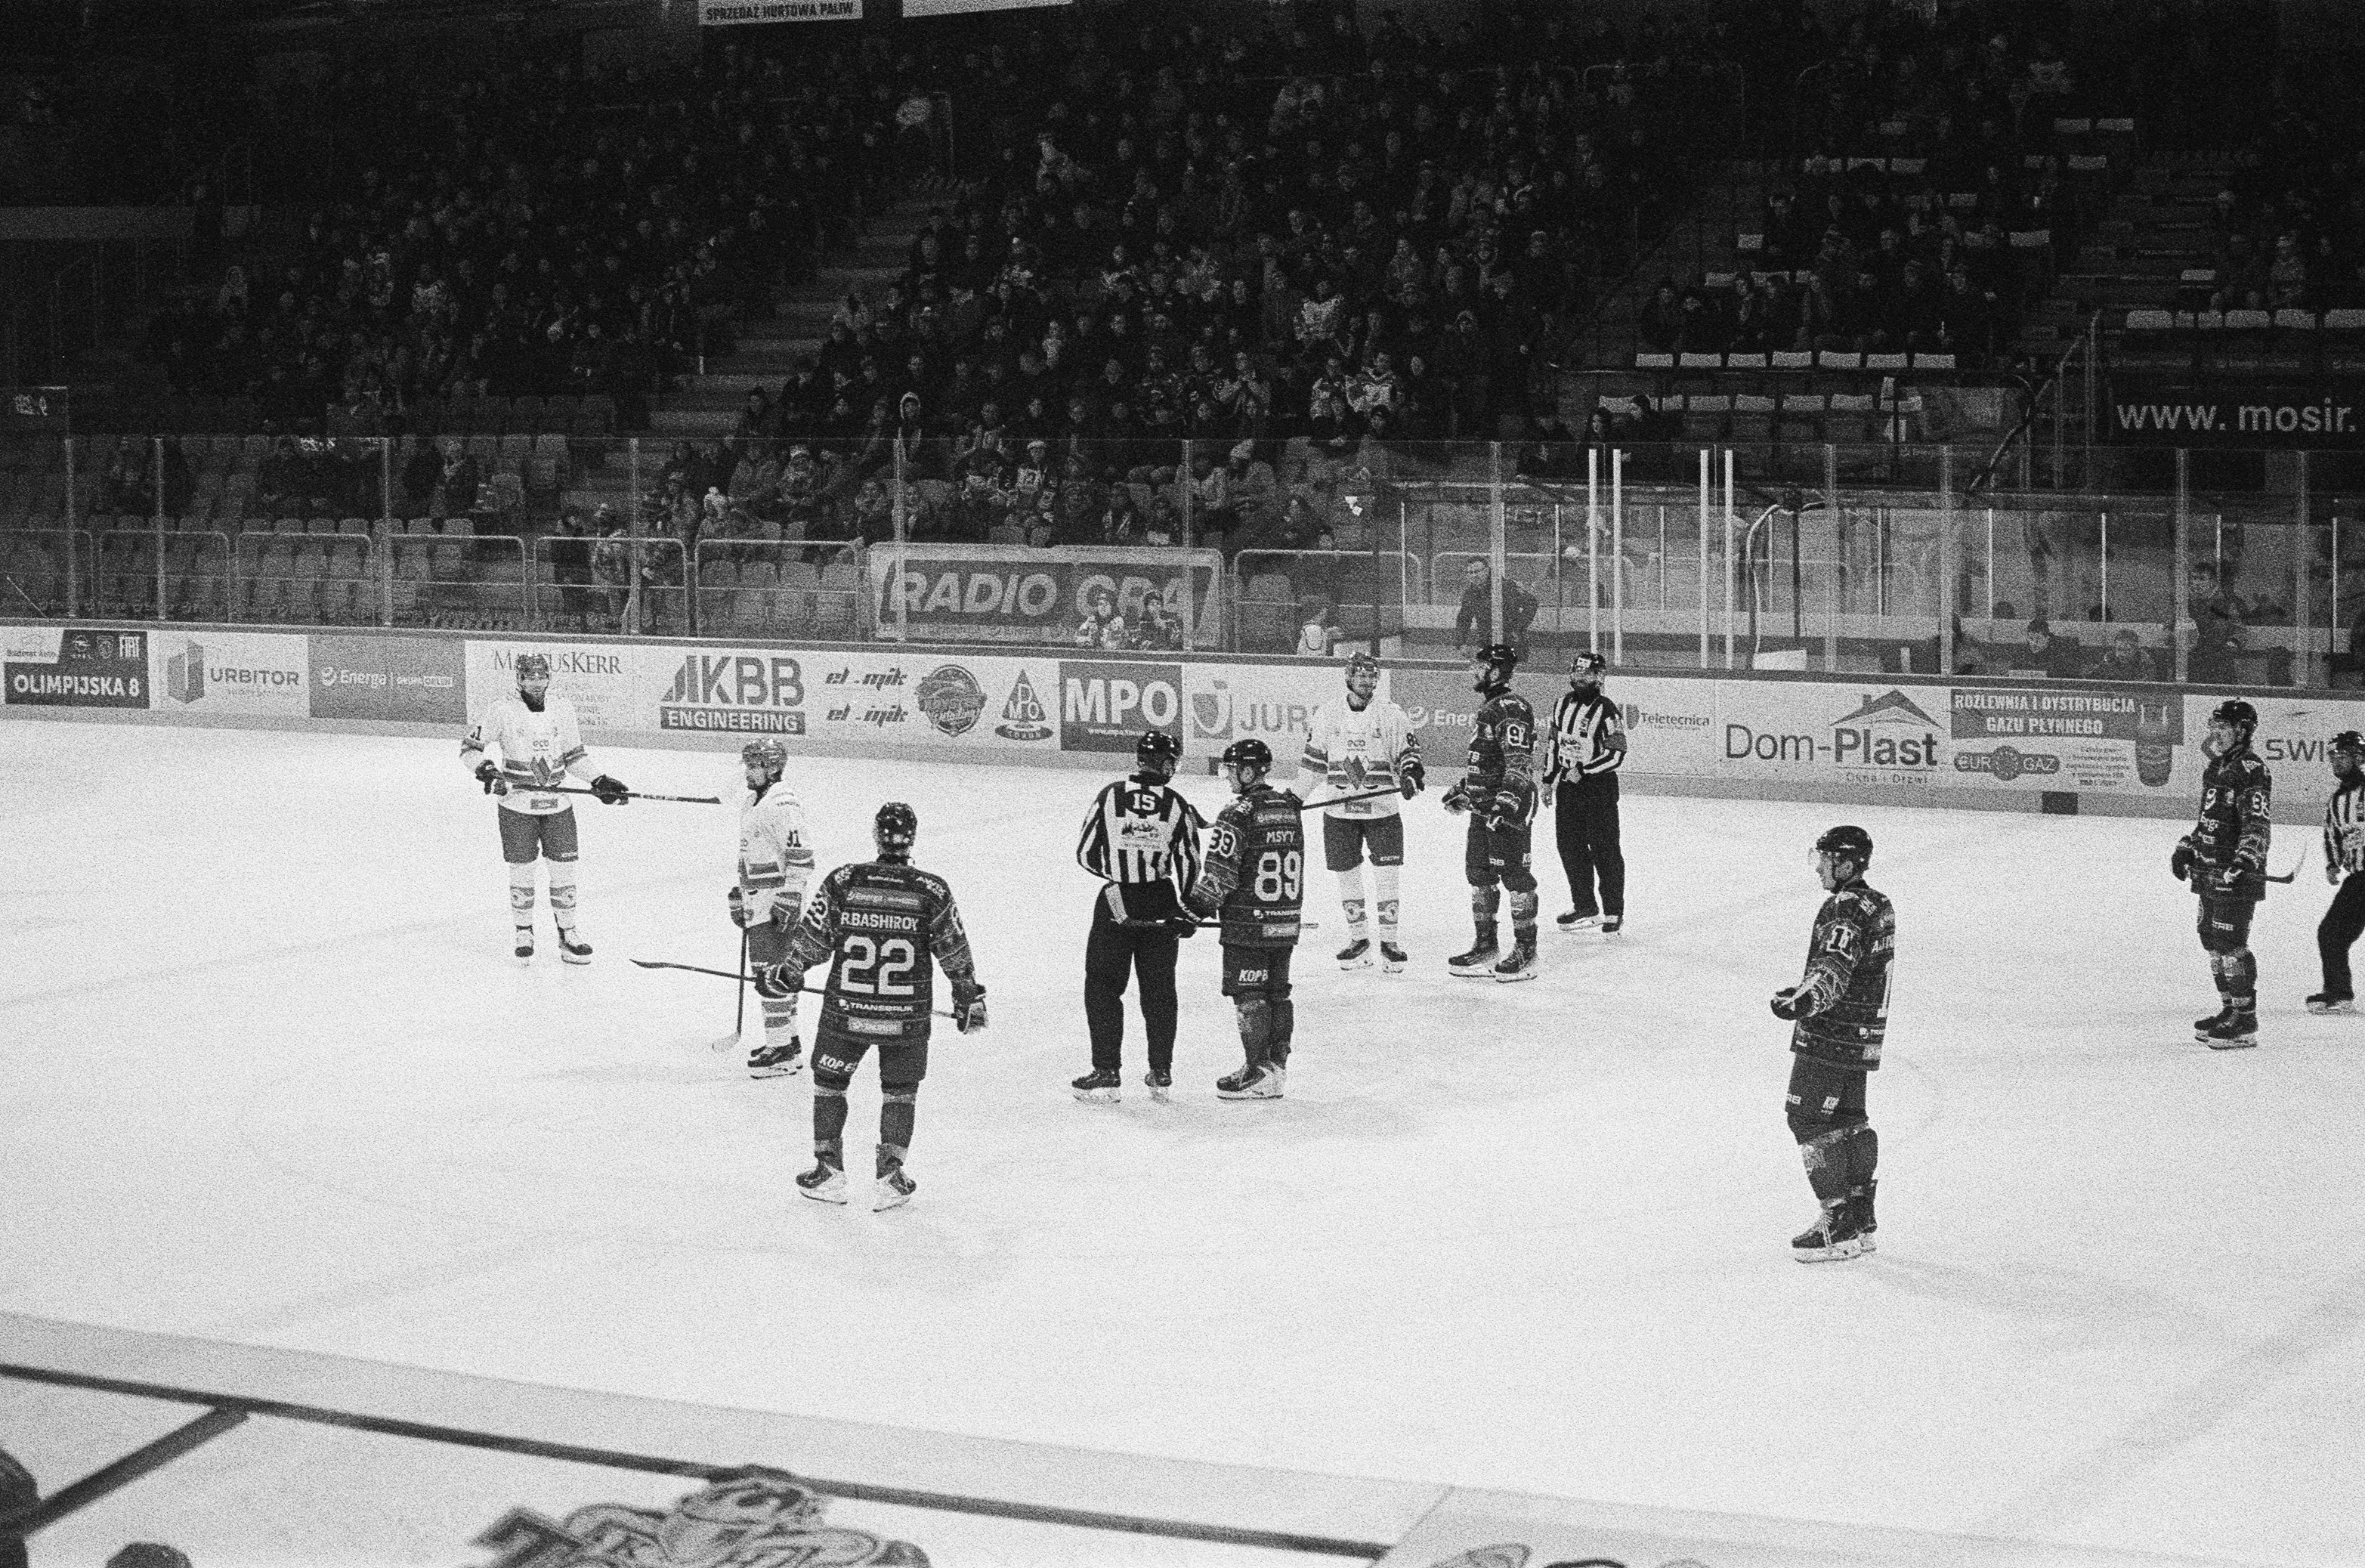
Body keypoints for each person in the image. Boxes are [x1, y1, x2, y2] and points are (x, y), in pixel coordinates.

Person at [756, 803, 987, 1210]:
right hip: (906, 1018)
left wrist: (790, 969)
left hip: (846, 1013)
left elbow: (813, 937)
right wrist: (968, 995)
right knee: (901, 1093)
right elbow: (953, 949)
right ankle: (890, 1176)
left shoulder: (845, 880)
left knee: (829, 1084)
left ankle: (828, 1172)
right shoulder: (931, 890)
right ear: (911, 837)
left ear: (876, 834)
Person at [1770, 825, 1894, 1263]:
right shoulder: (1877, 903)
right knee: (1849, 1120)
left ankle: (1836, 1223)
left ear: (1846, 863)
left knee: (1806, 1118)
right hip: (1862, 1034)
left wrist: (1799, 1003)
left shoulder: (1843, 909)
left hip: (1831, 1034)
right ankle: (1861, 1220)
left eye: (1825, 859)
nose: (1819, 867)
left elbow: (1833, 971)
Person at [459, 651, 629, 963]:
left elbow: (575, 757)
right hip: (517, 806)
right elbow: (470, 749)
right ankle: (524, 930)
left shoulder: (563, 709)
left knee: (564, 871)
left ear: (549, 678)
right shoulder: (501, 710)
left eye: (542, 677)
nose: (537, 683)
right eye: (530, 677)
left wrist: (599, 779)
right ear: (519, 679)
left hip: (558, 805)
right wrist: (487, 770)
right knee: (522, 871)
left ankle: (568, 934)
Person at [1071, 730, 1204, 1103]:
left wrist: (1120, 873)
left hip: (1116, 899)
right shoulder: (1178, 805)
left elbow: (1084, 853)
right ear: (1166, 764)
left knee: (1102, 986)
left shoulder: (1110, 794)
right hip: (1161, 900)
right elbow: (1191, 866)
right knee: (1160, 990)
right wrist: (1190, 912)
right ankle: (1160, 1071)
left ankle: (1106, 1072)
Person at [1185, 739, 1306, 1099]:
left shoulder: (1236, 812)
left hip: (1247, 925)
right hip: (1285, 921)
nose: (1230, 777)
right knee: (1278, 994)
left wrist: (1192, 912)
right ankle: (1275, 1069)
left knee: (1249, 993)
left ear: (1249, 771)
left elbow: (1221, 874)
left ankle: (1257, 1070)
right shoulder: (1287, 807)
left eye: (1234, 770)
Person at [1296, 651, 1424, 973]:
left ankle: (1390, 942)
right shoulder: (1327, 714)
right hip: (1339, 813)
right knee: (1347, 876)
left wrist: (1410, 775)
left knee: (1387, 876)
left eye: (1372, 676)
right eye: (1361, 675)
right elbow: (1313, 766)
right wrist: (1295, 797)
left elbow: (1408, 753)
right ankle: (1359, 940)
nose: (1367, 681)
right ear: (1349, 677)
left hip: (1382, 810)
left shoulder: (1391, 713)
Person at [2174, 698, 2273, 1048]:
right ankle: (2229, 1010)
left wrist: (2245, 861)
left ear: (2242, 732)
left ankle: (2245, 1022)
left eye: (2224, 727)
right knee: (2212, 943)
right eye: (2213, 726)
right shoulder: (2215, 767)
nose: (2216, 733)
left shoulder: (2251, 769)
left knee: (2232, 945)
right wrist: (2188, 845)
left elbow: (2256, 823)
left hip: (2235, 875)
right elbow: (2209, 820)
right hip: (2209, 870)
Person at [1442, 642, 1541, 980]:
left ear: (1496, 671)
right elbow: (1487, 763)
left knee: (1516, 877)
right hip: (1483, 809)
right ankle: (1487, 944)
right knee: (1479, 875)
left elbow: (1519, 765)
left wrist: (1506, 803)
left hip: (1508, 810)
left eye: (1481, 665)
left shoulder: (1510, 709)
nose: (1475, 670)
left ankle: (1527, 951)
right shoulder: (1491, 708)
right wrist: (1465, 789)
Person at [730, 738, 815, 1079]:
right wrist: (741, 891)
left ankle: (779, 1051)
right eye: (747, 765)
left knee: (770, 977)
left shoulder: (783, 806)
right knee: (777, 973)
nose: (749, 772)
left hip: (776, 903)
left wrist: (791, 896)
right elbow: (753, 854)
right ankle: (789, 1043)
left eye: (755, 766)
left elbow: (802, 857)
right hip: (759, 899)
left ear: (774, 768)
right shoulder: (754, 800)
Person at [1541, 651, 1628, 936]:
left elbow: (1616, 755)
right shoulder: (1561, 705)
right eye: (1577, 672)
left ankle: (1613, 911)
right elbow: (1555, 746)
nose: (1580, 678)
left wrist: (1586, 771)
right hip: (1568, 786)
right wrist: (1548, 780)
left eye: (1587, 674)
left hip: (1598, 789)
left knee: (1605, 850)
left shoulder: (1607, 710)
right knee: (1569, 847)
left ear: (1599, 677)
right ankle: (1585, 906)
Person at [2311, 730, 2365, 1015]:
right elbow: (2332, 833)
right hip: (2359, 877)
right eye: (2333, 757)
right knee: (2332, 933)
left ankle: (2340, 993)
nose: (2336, 763)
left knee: (2332, 933)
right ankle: (2339, 993)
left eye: (2341, 757)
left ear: (2358, 758)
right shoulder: (2338, 798)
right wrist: (2333, 862)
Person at [1452, 558, 1539, 654]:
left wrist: (1519, 627)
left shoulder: (1506, 587)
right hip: (1486, 642)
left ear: (1487, 570)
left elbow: (1531, 603)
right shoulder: (1470, 594)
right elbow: (1464, 619)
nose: (1474, 576)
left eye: (1477, 572)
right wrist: (1461, 643)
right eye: (1470, 573)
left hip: (1513, 643)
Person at [1074, 583, 1127, 648]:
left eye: (1106, 604)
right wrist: (1086, 642)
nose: (1103, 607)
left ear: (1112, 607)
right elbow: (1079, 638)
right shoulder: (1091, 619)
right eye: (1100, 604)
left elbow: (1112, 645)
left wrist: (1096, 638)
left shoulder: (1118, 621)